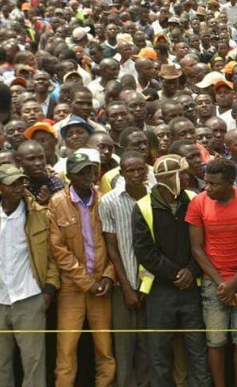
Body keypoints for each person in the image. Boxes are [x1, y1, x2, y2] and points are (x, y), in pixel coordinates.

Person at [132, 154, 212, 387]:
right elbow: (145, 251)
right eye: (183, 174)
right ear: (170, 178)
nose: (188, 178)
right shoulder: (143, 207)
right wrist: (176, 274)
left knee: (197, 349)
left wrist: (191, 271)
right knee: (159, 352)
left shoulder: (195, 199)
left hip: (191, 288)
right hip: (161, 290)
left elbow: (205, 242)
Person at [187, 157, 237, 387]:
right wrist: (222, 283)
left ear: (230, 183)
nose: (207, 187)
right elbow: (197, 249)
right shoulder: (198, 203)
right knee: (216, 341)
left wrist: (234, 281)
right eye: (206, 182)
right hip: (213, 283)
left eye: (213, 184)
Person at [0, 164, 58, 387]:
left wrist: (48, 291)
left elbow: (52, 257)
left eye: (20, 182)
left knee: (34, 364)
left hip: (29, 297)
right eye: (11, 184)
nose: (18, 187)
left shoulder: (39, 213)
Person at [48, 148, 116, 387]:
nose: (87, 176)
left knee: (104, 348)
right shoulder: (57, 203)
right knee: (66, 350)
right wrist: (88, 283)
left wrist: (108, 276)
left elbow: (112, 243)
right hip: (72, 288)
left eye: (90, 171)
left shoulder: (104, 200)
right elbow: (59, 252)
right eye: (80, 173)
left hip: (102, 286)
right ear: (70, 177)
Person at [100, 150, 150, 387]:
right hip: (123, 285)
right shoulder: (109, 201)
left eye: (141, 169)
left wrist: (146, 284)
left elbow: (156, 245)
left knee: (147, 345)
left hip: (151, 284)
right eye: (131, 170)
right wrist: (128, 288)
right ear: (122, 173)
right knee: (124, 345)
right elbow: (112, 247)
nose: (137, 174)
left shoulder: (155, 195)